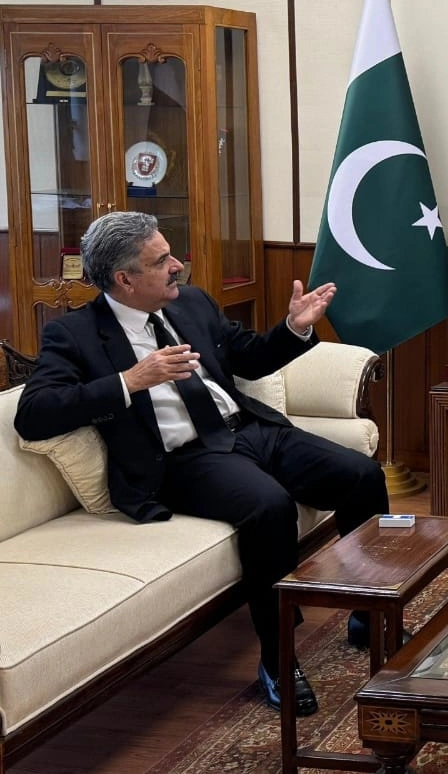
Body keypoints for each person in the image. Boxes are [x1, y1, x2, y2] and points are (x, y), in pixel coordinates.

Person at [13, 211, 389, 717]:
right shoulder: (73, 334)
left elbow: (248, 358)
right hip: (183, 459)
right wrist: (131, 381)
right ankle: (277, 660)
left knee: (362, 475)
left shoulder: (190, 302)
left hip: (249, 430)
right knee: (270, 508)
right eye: (161, 260)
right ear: (125, 279)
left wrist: (294, 329)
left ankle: (367, 614)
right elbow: (34, 415)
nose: (177, 266)